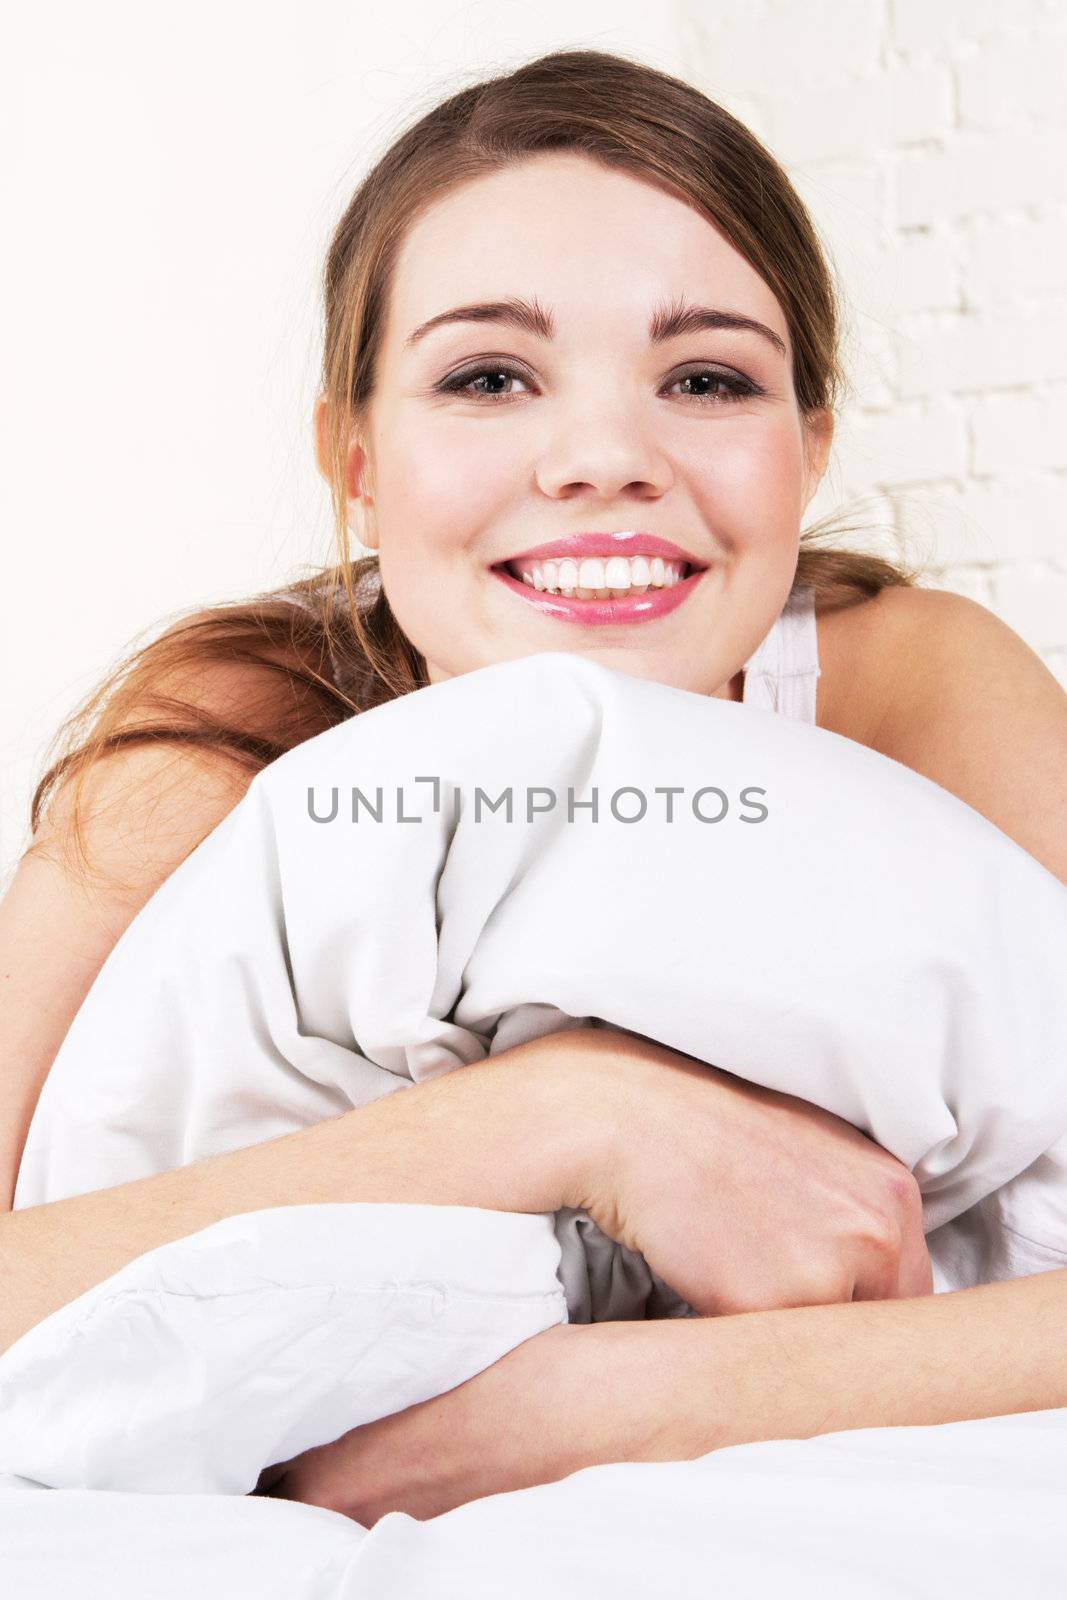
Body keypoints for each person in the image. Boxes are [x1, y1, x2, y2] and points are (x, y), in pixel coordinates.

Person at [2, 48, 1066, 1519]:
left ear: (808, 451)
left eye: (706, 378)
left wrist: (614, 1408)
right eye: (490, 375)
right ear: (355, 462)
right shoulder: (235, 729)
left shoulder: (910, 686)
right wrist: (569, 1119)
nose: (605, 457)